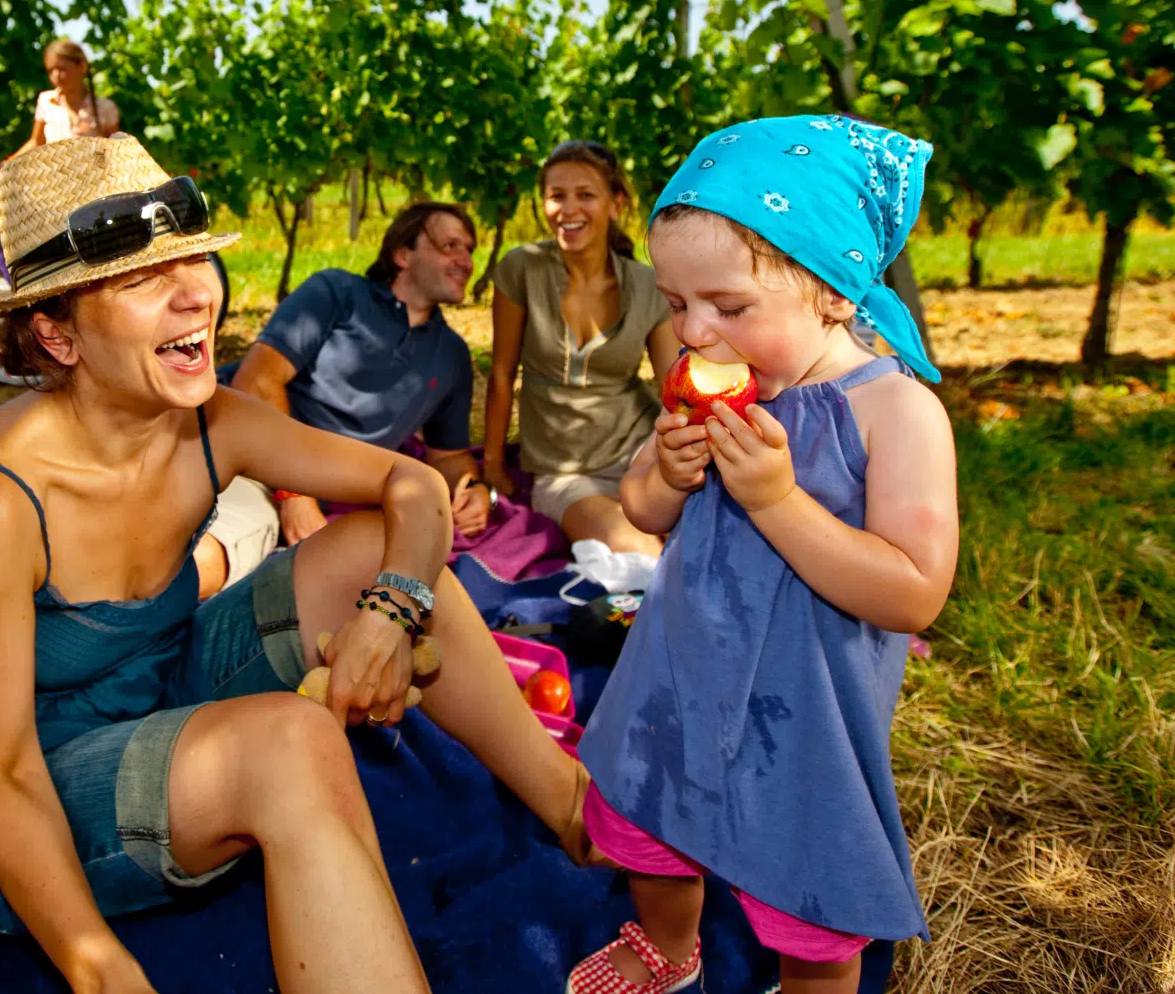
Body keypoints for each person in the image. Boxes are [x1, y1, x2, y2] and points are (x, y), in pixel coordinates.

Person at [0, 136, 598, 992]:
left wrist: (393, 608)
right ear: (57, 334)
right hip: (42, 777)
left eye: (193, 261)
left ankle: (571, 807)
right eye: (144, 280)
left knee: (374, 547)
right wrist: (96, 963)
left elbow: (411, 486)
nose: (197, 293)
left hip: (170, 680)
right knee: (292, 740)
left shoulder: (210, 419)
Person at [566, 117, 959, 994]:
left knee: (810, 902)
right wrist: (665, 476)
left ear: (832, 291)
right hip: (681, 671)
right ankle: (672, 945)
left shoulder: (895, 413)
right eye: (675, 305)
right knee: (652, 823)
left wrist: (777, 500)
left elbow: (914, 592)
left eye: (730, 307)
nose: (697, 334)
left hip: (804, 713)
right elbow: (641, 507)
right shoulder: (710, 391)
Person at [209, 202, 491, 596]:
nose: (466, 261)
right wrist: (294, 493)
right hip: (250, 461)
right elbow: (256, 381)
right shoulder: (337, 294)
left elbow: (448, 456)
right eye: (450, 246)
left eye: (470, 250)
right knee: (215, 548)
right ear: (402, 254)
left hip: (334, 491)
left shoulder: (452, 355)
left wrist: (474, 486)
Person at [485, 140, 681, 558]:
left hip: (643, 452)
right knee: (640, 552)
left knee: (704, 539)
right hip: (565, 470)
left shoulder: (649, 285)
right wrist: (492, 464)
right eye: (556, 196)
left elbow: (674, 390)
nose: (568, 209)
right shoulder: (521, 269)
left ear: (616, 204)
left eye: (585, 195)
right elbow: (502, 373)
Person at [17, 38, 119, 151]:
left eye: (61, 69)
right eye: (51, 70)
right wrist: (7, 164)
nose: (56, 75)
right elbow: (36, 141)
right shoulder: (46, 101)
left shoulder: (105, 107)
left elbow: (115, 149)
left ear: (82, 66)